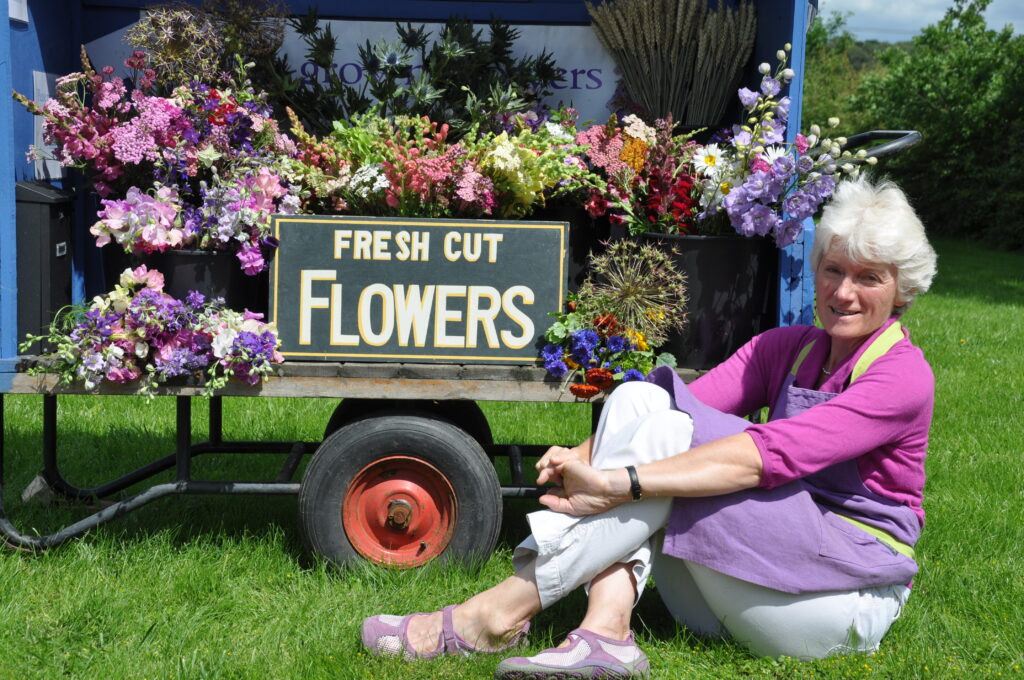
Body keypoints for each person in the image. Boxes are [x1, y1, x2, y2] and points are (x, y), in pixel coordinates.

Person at [361, 175, 938, 677]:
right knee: (641, 396)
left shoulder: (901, 378)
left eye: (868, 278)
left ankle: (493, 615)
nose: (842, 292)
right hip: (754, 579)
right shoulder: (788, 348)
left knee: (666, 441)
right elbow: (667, 399)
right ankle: (607, 629)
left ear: (902, 289)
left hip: (836, 600)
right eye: (833, 270)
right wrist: (587, 453)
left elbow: (769, 455)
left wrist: (616, 483)